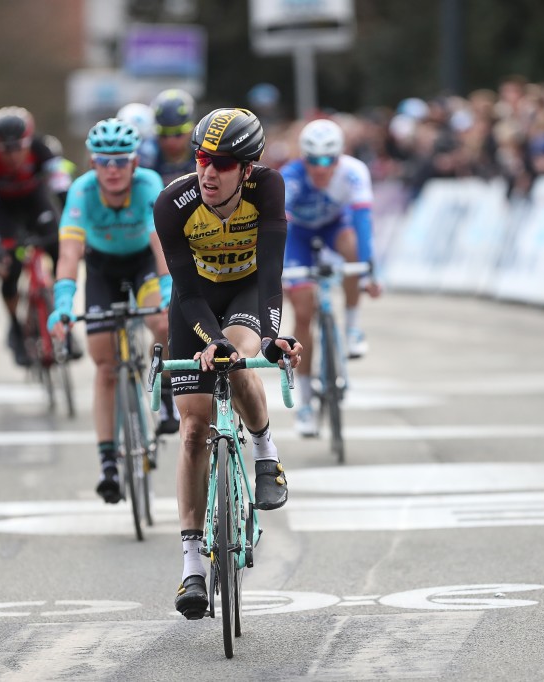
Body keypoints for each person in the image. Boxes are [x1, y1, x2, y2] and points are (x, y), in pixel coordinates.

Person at [153, 107, 302, 619]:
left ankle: (265, 451)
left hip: (246, 291)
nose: (208, 173)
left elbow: (271, 277)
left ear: (248, 168)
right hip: (194, 303)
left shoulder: (269, 189)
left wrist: (276, 336)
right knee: (193, 430)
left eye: (222, 163)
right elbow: (187, 291)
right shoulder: (174, 203)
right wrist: (208, 339)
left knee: (238, 361)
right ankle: (193, 565)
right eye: (200, 160)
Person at [48, 118, 177, 503]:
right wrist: (61, 306)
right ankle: (108, 461)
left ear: (135, 163)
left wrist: (169, 286)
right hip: (102, 268)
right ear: (92, 164)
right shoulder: (81, 192)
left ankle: (167, 387)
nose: (113, 169)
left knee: (161, 321)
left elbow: (162, 244)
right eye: (104, 162)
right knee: (104, 363)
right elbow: (69, 253)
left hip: (143, 265)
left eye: (121, 161)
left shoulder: (149, 185)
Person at [281, 118, 381, 436]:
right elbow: (277, 227)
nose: (321, 168)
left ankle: (352, 329)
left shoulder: (354, 172)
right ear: (303, 157)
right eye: (313, 160)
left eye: (328, 160)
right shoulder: (291, 178)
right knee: (303, 311)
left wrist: (369, 272)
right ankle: (306, 404)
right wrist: (276, 273)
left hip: (335, 227)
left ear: (340, 156)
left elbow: (364, 224)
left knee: (352, 249)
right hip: (297, 235)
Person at [0, 106, 72, 367]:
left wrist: (74, 227)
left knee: (60, 247)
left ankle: (63, 317)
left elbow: (63, 192)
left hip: (34, 203)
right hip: (2, 211)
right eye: (5, 150)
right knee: (10, 266)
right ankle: (15, 329)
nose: (13, 155)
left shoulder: (42, 149)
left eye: (19, 147)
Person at [148, 89, 198, 185]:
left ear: (192, 129)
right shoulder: (148, 161)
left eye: (178, 134)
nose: (170, 141)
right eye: (164, 134)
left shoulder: (204, 158)